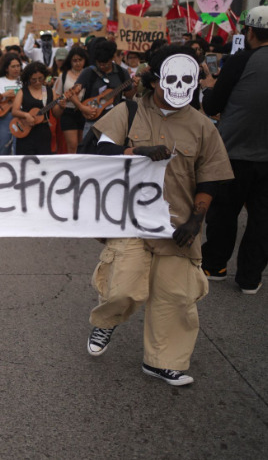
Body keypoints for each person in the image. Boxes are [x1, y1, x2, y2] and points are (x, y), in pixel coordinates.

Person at [86, 45, 233, 386]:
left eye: (190, 78)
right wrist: (136, 152)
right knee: (121, 288)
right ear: (155, 81)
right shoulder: (129, 111)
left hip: (177, 225)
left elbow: (210, 176)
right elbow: (102, 154)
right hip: (130, 220)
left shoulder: (202, 126)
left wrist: (196, 221)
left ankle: (162, 361)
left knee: (176, 298)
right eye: (173, 78)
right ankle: (105, 322)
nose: (182, 85)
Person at [200, 5, 268, 294]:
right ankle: (250, 278)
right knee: (263, 219)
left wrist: (209, 86)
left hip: (233, 153)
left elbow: (214, 105)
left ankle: (215, 266)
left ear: (250, 32)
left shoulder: (241, 60)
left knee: (224, 211)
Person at [73, 39, 136, 138]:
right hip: (93, 121)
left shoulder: (122, 73)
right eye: (99, 63)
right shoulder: (88, 72)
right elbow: (72, 93)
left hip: (115, 122)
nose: (102, 66)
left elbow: (129, 95)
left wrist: (135, 87)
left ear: (112, 58)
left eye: (105, 63)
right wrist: (82, 107)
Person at [11, 61, 66, 156]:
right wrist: (26, 115)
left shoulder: (50, 92)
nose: (37, 82)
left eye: (40, 78)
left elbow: (56, 114)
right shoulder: (23, 91)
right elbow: (14, 111)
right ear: (28, 78)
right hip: (26, 130)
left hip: (43, 131)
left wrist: (61, 107)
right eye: (33, 80)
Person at [52, 46, 89, 153]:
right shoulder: (63, 76)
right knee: (72, 145)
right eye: (74, 60)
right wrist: (60, 103)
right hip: (68, 112)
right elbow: (56, 94)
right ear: (70, 61)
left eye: (80, 60)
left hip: (85, 111)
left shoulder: (89, 74)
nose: (77, 63)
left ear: (85, 60)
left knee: (83, 144)